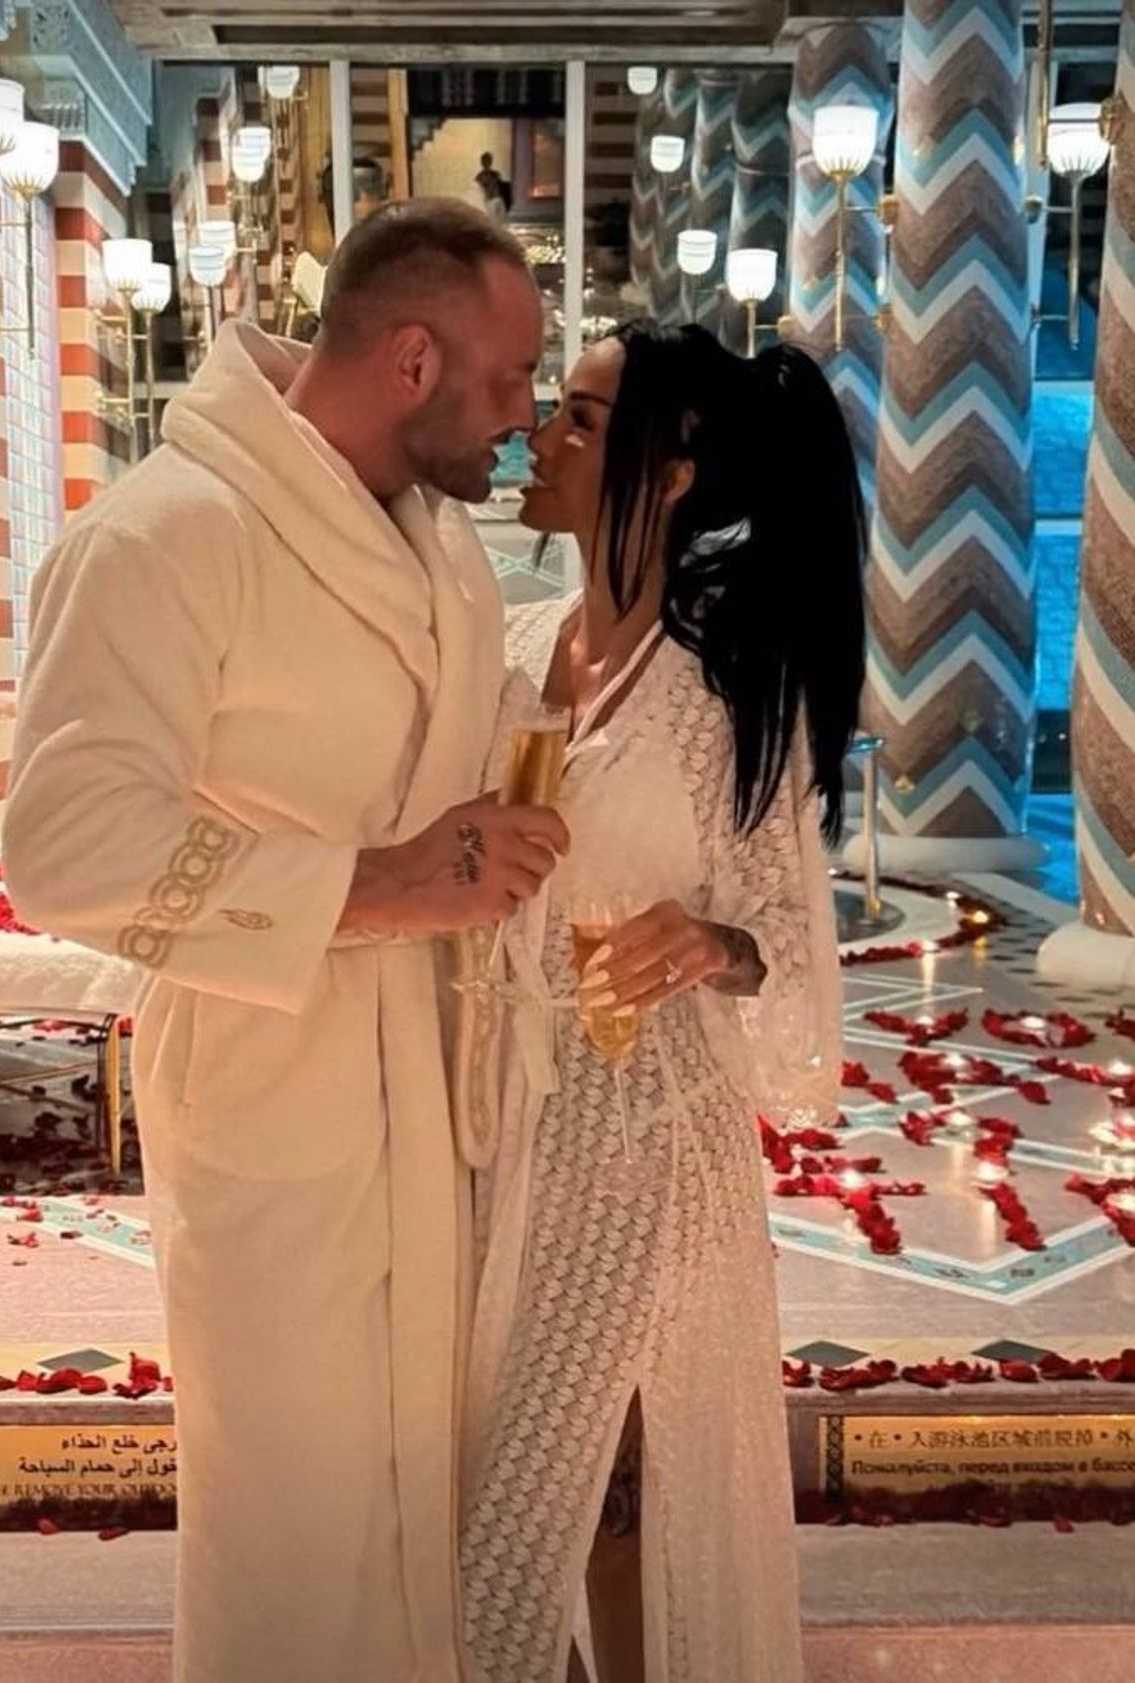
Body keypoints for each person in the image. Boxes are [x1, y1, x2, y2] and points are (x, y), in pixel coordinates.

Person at [2, 199, 569, 1683]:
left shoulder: (441, 546)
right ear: (410, 357)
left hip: (433, 1104)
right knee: (292, 1534)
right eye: (509, 382)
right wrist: (372, 883)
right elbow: (65, 846)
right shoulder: (166, 535)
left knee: (412, 1515)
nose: (523, 416)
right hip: (276, 1086)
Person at [458, 322, 865, 1682]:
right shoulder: (509, 655)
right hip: (508, 1122)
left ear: (675, 469)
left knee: (596, 1474)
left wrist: (713, 941)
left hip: (650, 1133)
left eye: (578, 416)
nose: (541, 436)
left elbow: (791, 949)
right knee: (507, 1467)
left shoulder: (721, 695)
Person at [475, 151, 510, 220]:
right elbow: (478, 190)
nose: (487, 163)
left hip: (496, 200)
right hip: (489, 201)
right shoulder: (480, 177)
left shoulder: (495, 175)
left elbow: (502, 188)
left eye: (488, 161)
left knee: (496, 215)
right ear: (482, 163)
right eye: (485, 161)